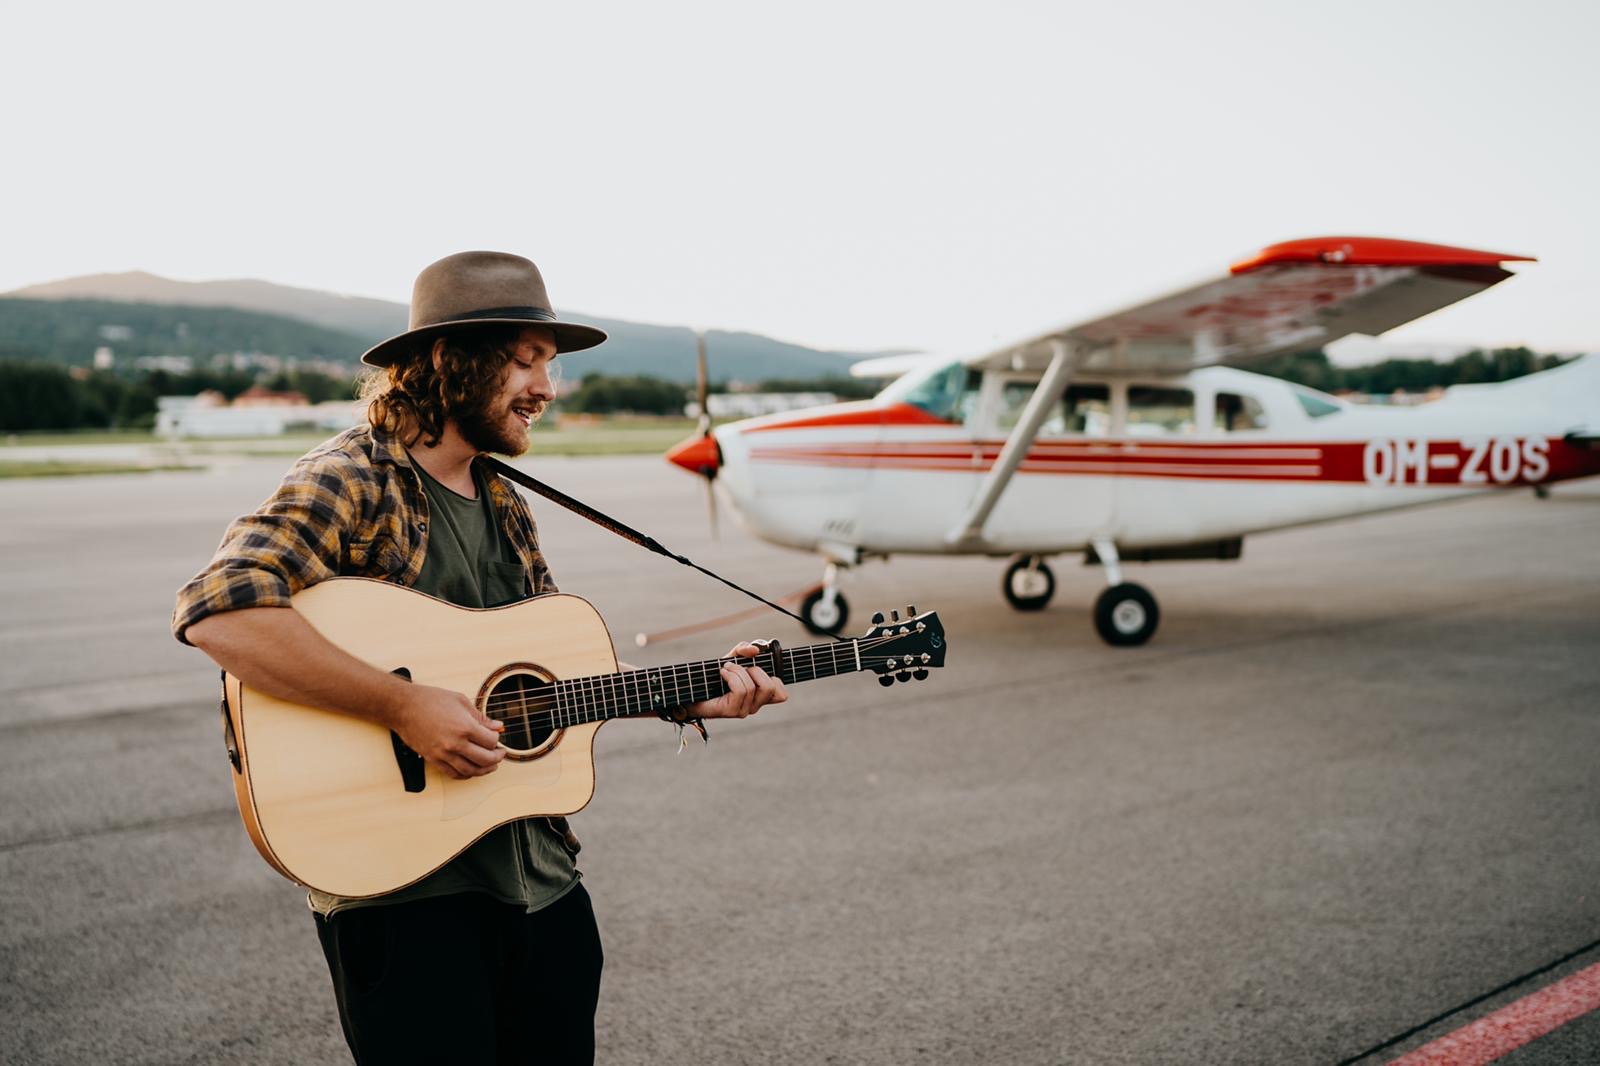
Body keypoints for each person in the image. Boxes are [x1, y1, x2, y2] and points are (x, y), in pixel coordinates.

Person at [172, 250, 788, 1065]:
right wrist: (401, 707)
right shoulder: (352, 478)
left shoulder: (503, 500)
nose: (546, 387)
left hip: (540, 884)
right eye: (525, 360)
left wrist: (687, 693)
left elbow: (549, 682)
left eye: (550, 365)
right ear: (448, 362)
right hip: (405, 895)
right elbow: (220, 611)